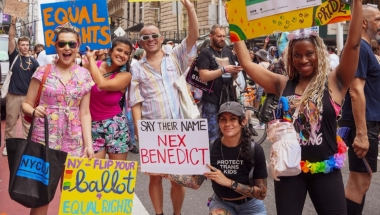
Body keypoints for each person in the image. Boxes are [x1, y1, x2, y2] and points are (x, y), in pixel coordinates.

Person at [233, 0, 362, 214]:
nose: (303, 60)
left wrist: (357, 3)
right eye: (297, 55)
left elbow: (354, 45)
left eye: (309, 53)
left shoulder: (335, 82)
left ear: (318, 53)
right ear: (290, 58)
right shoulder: (282, 84)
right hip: (289, 170)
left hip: (326, 170)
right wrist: (235, 23)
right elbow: (247, 63)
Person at [129, 0, 198, 214]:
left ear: (160, 38)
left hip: (179, 128)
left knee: (177, 180)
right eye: (145, 37)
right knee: (156, 178)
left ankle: (176, 213)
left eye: (154, 36)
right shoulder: (136, 68)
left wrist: (190, 9)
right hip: (153, 129)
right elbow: (135, 102)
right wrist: (140, 131)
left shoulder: (175, 56)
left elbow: (193, 36)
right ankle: (158, 213)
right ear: (140, 42)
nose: (150, 40)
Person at [21, 22, 94, 215]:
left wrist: (89, 144)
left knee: (73, 197)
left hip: (74, 141)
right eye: (62, 44)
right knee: (41, 197)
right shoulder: (42, 71)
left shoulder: (84, 75)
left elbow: (85, 112)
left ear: (78, 45)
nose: (67, 48)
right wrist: (34, 111)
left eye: (72, 44)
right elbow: (26, 104)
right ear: (56, 46)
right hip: (44, 140)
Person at [157, 101, 268, 215]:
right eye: (223, 119)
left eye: (233, 119)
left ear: (243, 121)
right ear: (218, 122)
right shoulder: (210, 148)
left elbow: (262, 193)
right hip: (223, 203)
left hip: (250, 205)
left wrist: (229, 182)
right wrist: (165, 173)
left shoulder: (255, 150)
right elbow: (195, 182)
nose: (227, 123)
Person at [338, 4, 380, 215]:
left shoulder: (364, 48)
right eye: (378, 19)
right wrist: (362, 133)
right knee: (359, 182)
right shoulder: (360, 48)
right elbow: (356, 91)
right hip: (360, 124)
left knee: (362, 180)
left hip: (365, 122)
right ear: (363, 23)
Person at [84, 37, 132, 161]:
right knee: (94, 173)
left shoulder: (126, 76)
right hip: (91, 126)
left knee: (117, 172)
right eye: (119, 50)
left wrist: (90, 60)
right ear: (110, 51)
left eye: (126, 53)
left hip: (116, 127)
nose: (122, 55)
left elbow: (102, 84)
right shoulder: (94, 65)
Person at [198, 24, 242, 143]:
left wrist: (235, 72)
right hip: (211, 100)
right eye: (219, 36)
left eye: (224, 36)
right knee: (212, 135)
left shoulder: (228, 52)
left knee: (229, 133)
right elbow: (203, 76)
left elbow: (232, 77)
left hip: (228, 98)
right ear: (211, 36)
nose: (222, 39)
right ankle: (213, 159)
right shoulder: (205, 53)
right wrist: (224, 69)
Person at [2, 16, 39, 156]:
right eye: (22, 45)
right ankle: (8, 146)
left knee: (28, 123)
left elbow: (39, 78)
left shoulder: (33, 62)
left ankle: (28, 147)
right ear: (18, 46)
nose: (25, 47)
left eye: (27, 45)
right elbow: (11, 38)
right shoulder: (14, 56)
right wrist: (13, 23)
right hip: (13, 96)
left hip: (28, 98)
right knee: (11, 122)